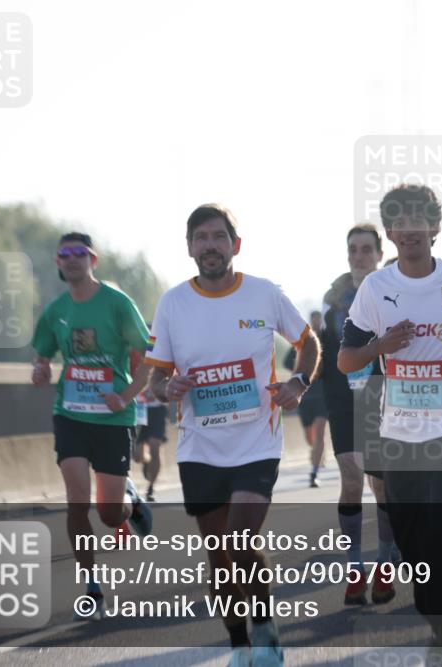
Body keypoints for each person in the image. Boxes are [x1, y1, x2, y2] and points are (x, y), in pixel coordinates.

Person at [146, 204, 320, 667]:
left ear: (235, 246)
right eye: (200, 237)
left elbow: (309, 343)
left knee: (241, 540)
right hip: (199, 447)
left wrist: (298, 384)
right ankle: (239, 643)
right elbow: (156, 381)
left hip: (255, 443)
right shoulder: (172, 304)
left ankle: (265, 631)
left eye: (218, 236)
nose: (210, 245)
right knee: (220, 555)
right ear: (189, 248)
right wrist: (169, 387)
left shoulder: (263, 294)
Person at [338, 184, 442, 663]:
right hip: (399, 430)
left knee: (440, 527)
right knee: (408, 534)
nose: (409, 230)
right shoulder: (375, 289)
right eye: (399, 222)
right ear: (390, 232)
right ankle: (436, 610)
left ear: (434, 227)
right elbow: (347, 359)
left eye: (418, 221)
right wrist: (378, 349)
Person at [31, 232, 154, 620]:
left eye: (78, 254)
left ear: (93, 260)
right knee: (76, 500)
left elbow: (149, 356)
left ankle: (129, 500)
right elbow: (42, 352)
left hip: (113, 416)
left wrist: (128, 395)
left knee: (109, 514)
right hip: (70, 414)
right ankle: (92, 585)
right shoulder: (56, 310)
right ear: (58, 262)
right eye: (64, 254)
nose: (71, 260)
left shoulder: (117, 304)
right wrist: (39, 367)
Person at [318, 223, 399, 607]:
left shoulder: (396, 292)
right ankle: (354, 569)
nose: (360, 255)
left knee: (380, 486)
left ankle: (384, 561)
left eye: (367, 249)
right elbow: (324, 354)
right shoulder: (334, 300)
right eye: (354, 249)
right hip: (344, 399)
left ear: (380, 254)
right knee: (352, 477)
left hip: (382, 397)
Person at [284, 311, 328, 488]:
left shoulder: (326, 339)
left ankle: (314, 472)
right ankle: (316, 452)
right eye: (314, 319)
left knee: (319, 434)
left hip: (323, 396)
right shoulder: (305, 340)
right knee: (310, 437)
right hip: (305, 395)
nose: (316, 322)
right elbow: (286, 361)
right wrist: (303, 367)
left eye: (319, 319)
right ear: (310, 321)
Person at [131, 336, 167, 503]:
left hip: (157, 409)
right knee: (137, 456)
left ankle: (150, 488)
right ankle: (147, 461)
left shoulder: (159, 349)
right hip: (139, 408)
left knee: (155, 447)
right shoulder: (131, 352)